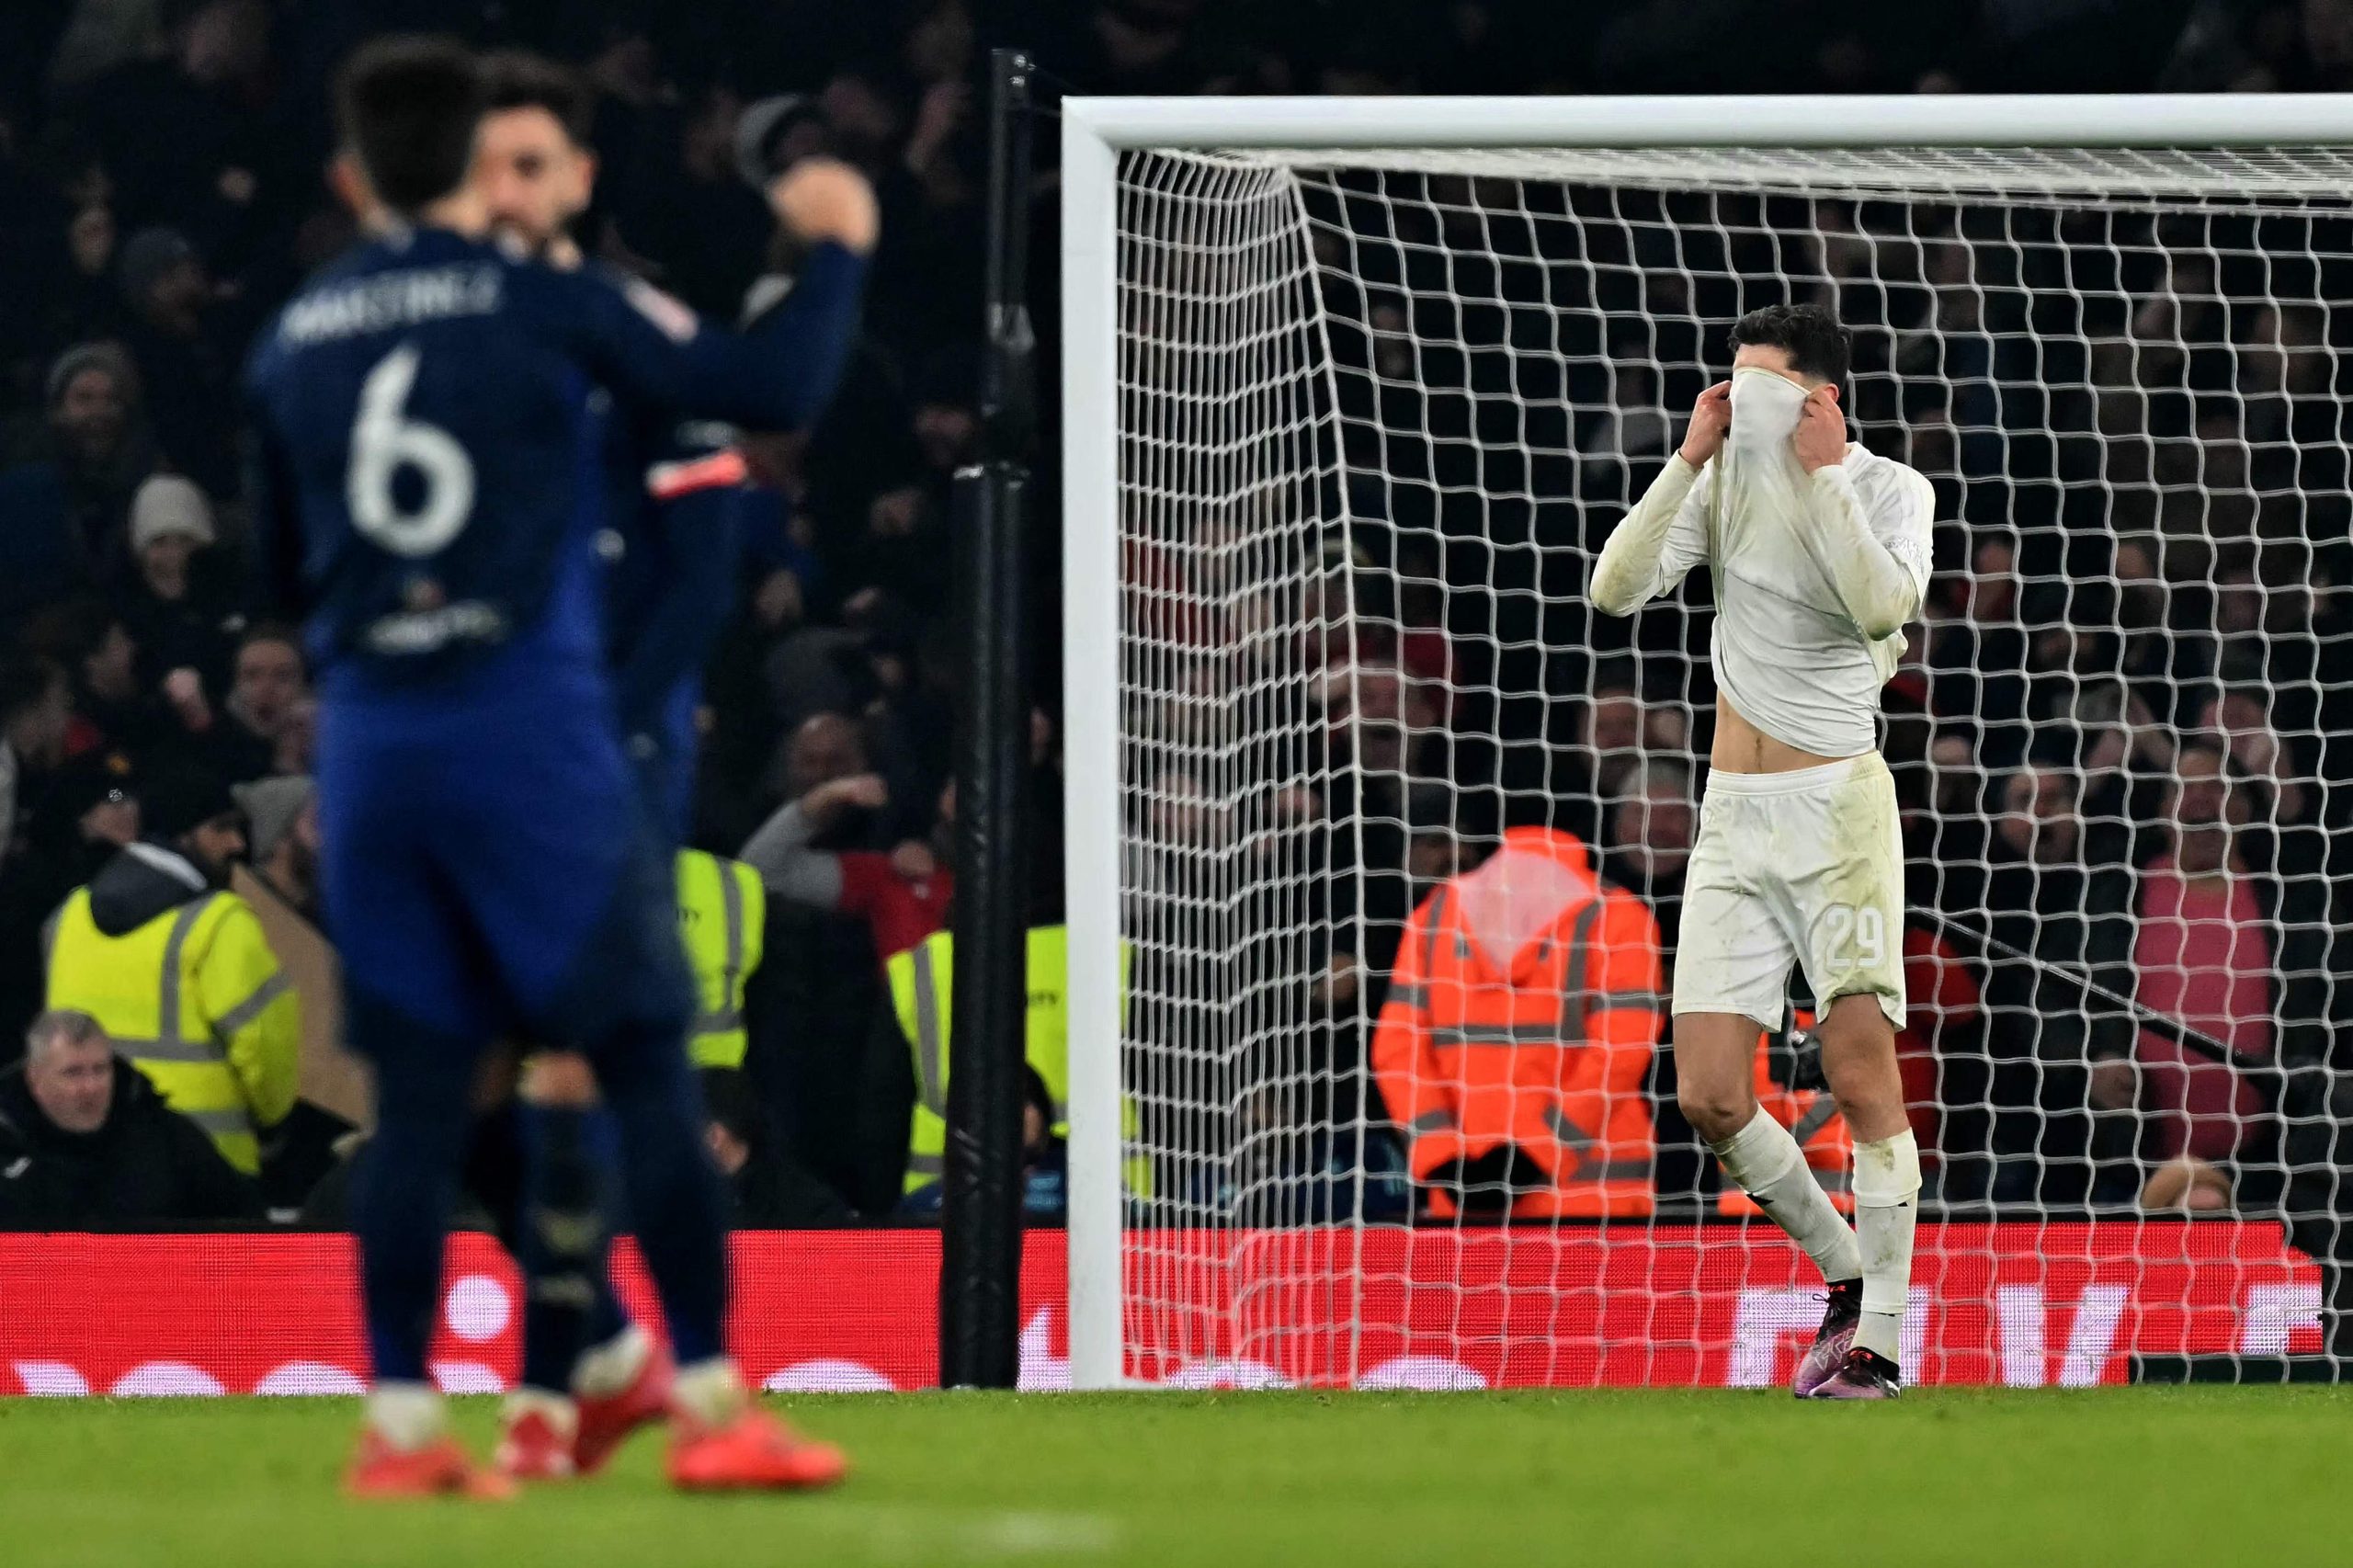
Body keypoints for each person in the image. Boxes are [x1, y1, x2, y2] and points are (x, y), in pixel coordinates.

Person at [244, 38, 870, 1495]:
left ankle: (431, 1418)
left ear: (348, 180)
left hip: (381, 750)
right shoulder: (549, 303)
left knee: (431, 1096)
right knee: (641, 1064)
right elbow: (770, 376)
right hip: (531, 746)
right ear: (473, 173)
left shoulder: (298, 333)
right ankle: (709, 1406)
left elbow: (278, 562)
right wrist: (838, 244)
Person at [1591, 301, 1935, 1398]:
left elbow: (1883, 601)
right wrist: (1688, 458)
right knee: (1707, 1095)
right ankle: (1843, 1270)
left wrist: (1824, 473)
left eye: (1759, 384)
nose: (1737, 400)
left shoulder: (1888, 488)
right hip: (1731, 815)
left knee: (1856, 1069)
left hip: (1835, 811)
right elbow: (1614, 588)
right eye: (1729, 380)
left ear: (1818, 398)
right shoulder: (1721, 476)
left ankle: (1879, 1340)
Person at [1370, 801, 1664, 1219]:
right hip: (1597, 1201)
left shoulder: (1437, 913)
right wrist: (1540, 1152)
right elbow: (1621, 1053)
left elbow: (1397, 1051)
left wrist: (1440, 1156)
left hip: (1465, 1200)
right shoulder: (1619, 916)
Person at [42, 762, 298, 1178]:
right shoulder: (220, 924)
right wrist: (273, 1118)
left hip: (92, 1169)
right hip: (208, 1177)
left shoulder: (69, 916)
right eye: (222, 828)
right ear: (181, 834)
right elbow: (265, 1049)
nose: (236, 843)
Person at [0, 1008, 261, 1226]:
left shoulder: (165, 1138)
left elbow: (247, 1225)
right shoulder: (8, 1149)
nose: (91, 1087)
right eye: (73, 1073)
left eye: (100, 1070)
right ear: (34, 1079)